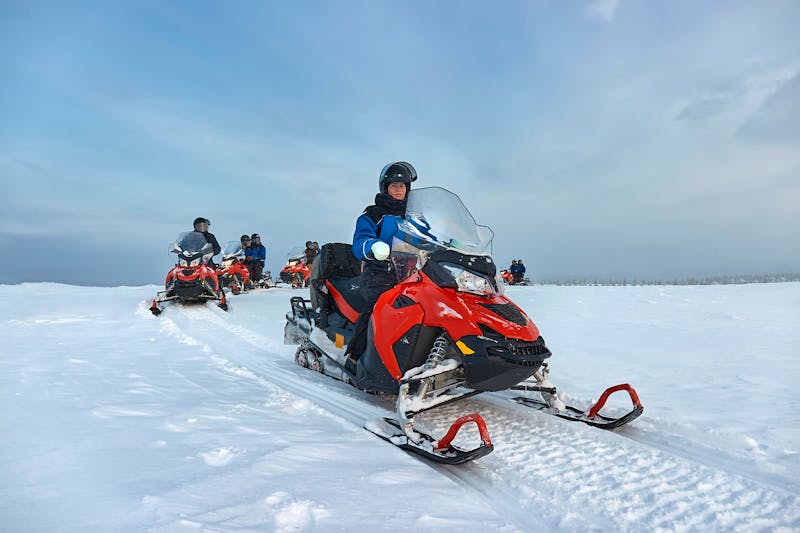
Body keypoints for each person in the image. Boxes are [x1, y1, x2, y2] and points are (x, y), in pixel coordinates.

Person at [344, 161, 418, 372]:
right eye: (394, 185)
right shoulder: (373, 214)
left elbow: (432, 236)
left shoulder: (416, 217)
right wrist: (373, 246)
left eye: (402, 185)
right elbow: (360, 242)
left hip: (413, 272)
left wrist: (452, 243)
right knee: (378, 305)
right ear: (386, 187)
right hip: (381, 272)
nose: (399, 190)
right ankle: (355, 357)